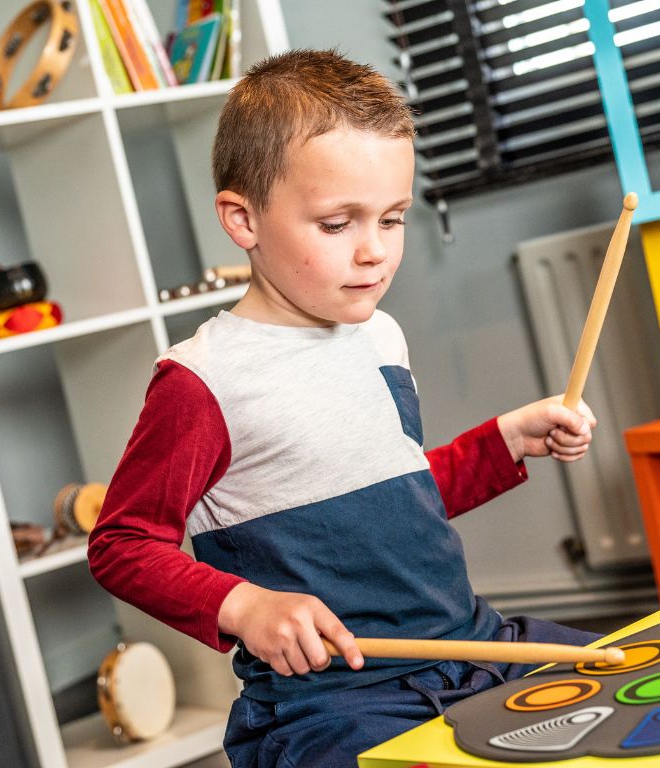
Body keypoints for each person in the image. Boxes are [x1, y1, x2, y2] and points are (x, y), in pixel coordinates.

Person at [88, 49, 602, 768]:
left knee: (645, 684)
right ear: (243, 219)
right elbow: (121, 545)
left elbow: (390, 501)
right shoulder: (201, 381)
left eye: (391, 219)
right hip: (333, 699)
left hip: (472, 645)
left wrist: (506, 440)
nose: (374, 254)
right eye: (337, 225)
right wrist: (244, 607)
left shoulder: (379, 335)